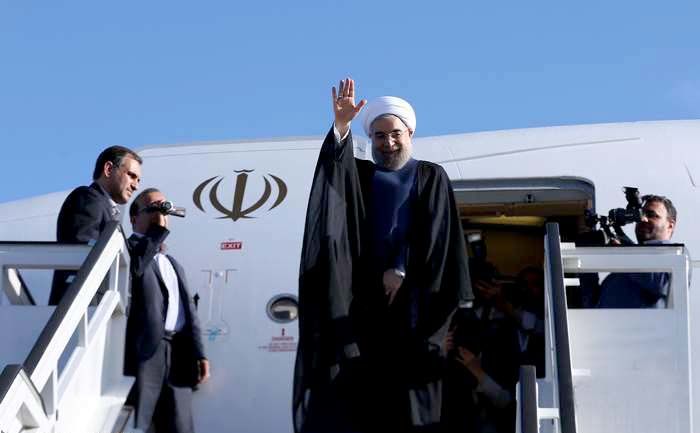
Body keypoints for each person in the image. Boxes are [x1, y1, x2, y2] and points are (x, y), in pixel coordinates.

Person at [293, 78, 473, 433]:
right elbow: (334, 174)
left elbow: (437, 237)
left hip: (416, 307)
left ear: (410, 134)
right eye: (379, 136)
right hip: (364, 307)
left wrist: (400, 268)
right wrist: (341, 127)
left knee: (413, 407)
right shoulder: (361, 175)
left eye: (395, 134)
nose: (388, 143)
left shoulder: (430, 176)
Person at [124, 188, 210, 433]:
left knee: (179, 424)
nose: (159, 214)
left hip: (178, 353)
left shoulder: (173, 264)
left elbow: (188, 312)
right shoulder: (127, 251)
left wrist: (199, 353)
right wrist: (156, 232)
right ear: (134, 219)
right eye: (152, 208)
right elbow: (136, 269)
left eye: (164, 208)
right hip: (145, 352)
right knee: (140, 422)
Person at [49, 145, 142, 305]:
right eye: (131, 176)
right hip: (83, 306)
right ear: (108, 169)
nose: (136, 186)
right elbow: (84, 253)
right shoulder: (88, 198)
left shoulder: (106, 208)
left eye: (138, 180)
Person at [596, 194, 678, 308]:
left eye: (651, 215)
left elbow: (661, 284)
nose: (643, 219)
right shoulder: (627, 265)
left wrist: (624, 254)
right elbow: (591, 303)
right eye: (640, 215)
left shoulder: (677, 255)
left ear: (670, 226)